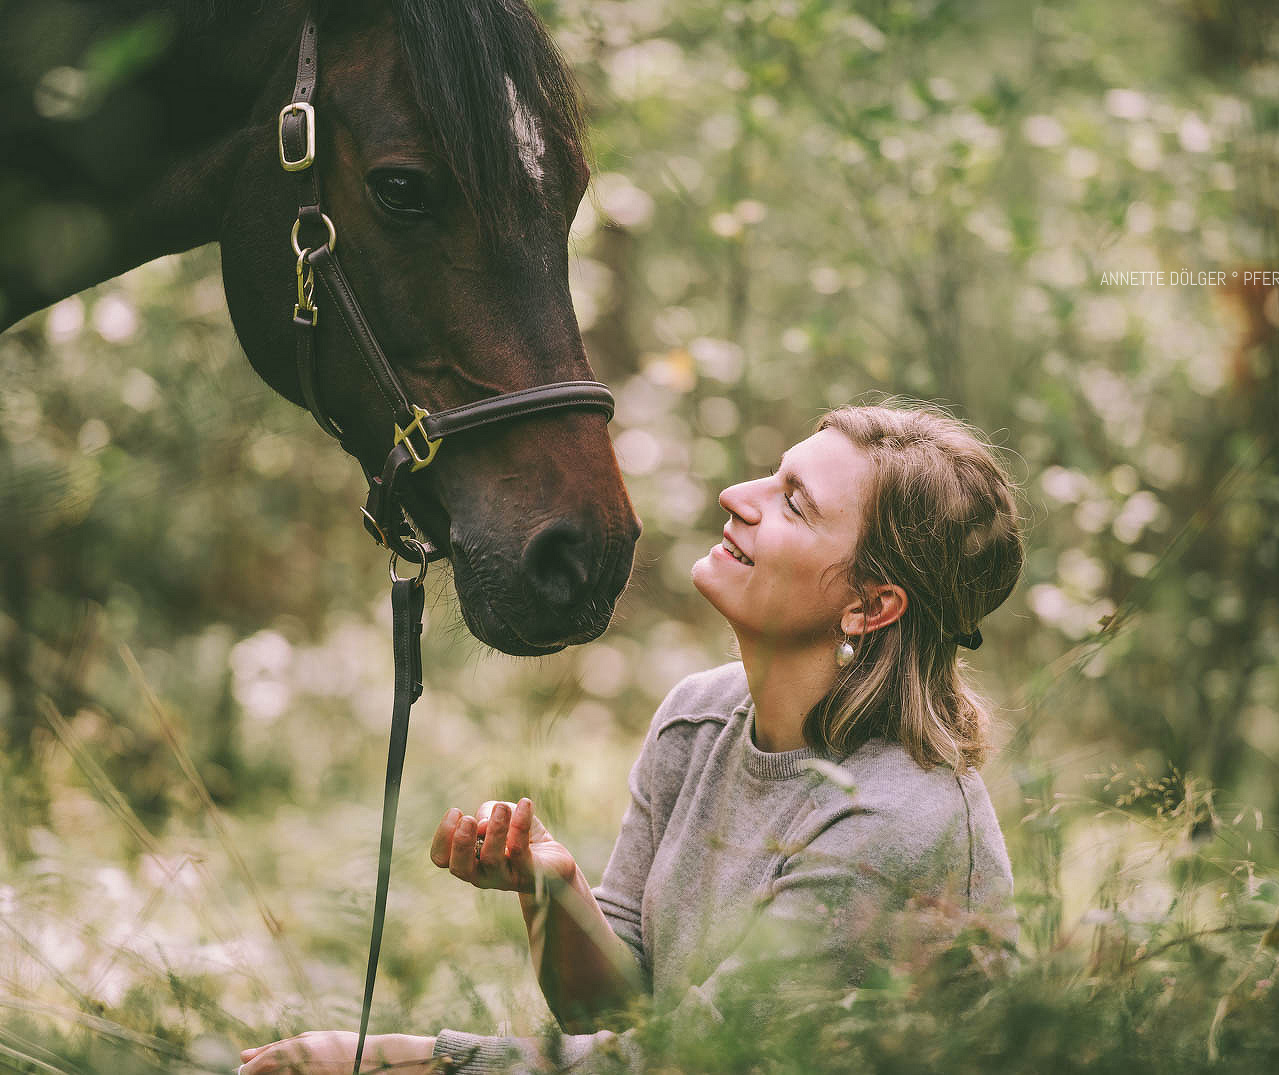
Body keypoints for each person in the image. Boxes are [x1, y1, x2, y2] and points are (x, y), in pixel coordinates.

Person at [238, 402, 1023, 1074]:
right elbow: (617, 1018)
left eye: (794, 503)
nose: (737, 496)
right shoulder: (699, 719)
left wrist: (406, 1059)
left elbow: (687, 1062)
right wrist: (553, 891)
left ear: (870, 605)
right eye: (771, 475)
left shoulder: (893, 823)